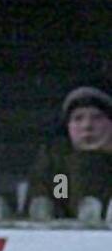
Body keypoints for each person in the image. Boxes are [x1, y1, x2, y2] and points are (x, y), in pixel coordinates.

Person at [27, 82, 112, 218]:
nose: (87, 126)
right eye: (78, 118)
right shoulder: (58, 165)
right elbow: (58, 197)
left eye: (97, 118)